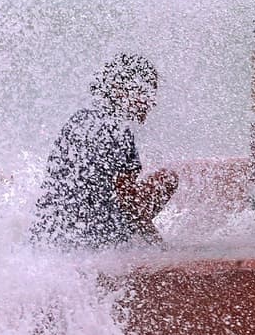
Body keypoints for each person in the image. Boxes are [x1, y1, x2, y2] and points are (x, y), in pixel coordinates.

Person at [31, 53, 179, 248]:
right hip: (93, 236)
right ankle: (114, 244)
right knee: (166, 179)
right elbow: (129, 204)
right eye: (146, 92)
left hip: (50, 229)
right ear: (119, 90)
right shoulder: (118, 131)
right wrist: (160, 247)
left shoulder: (80, 120)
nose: (152, 101)